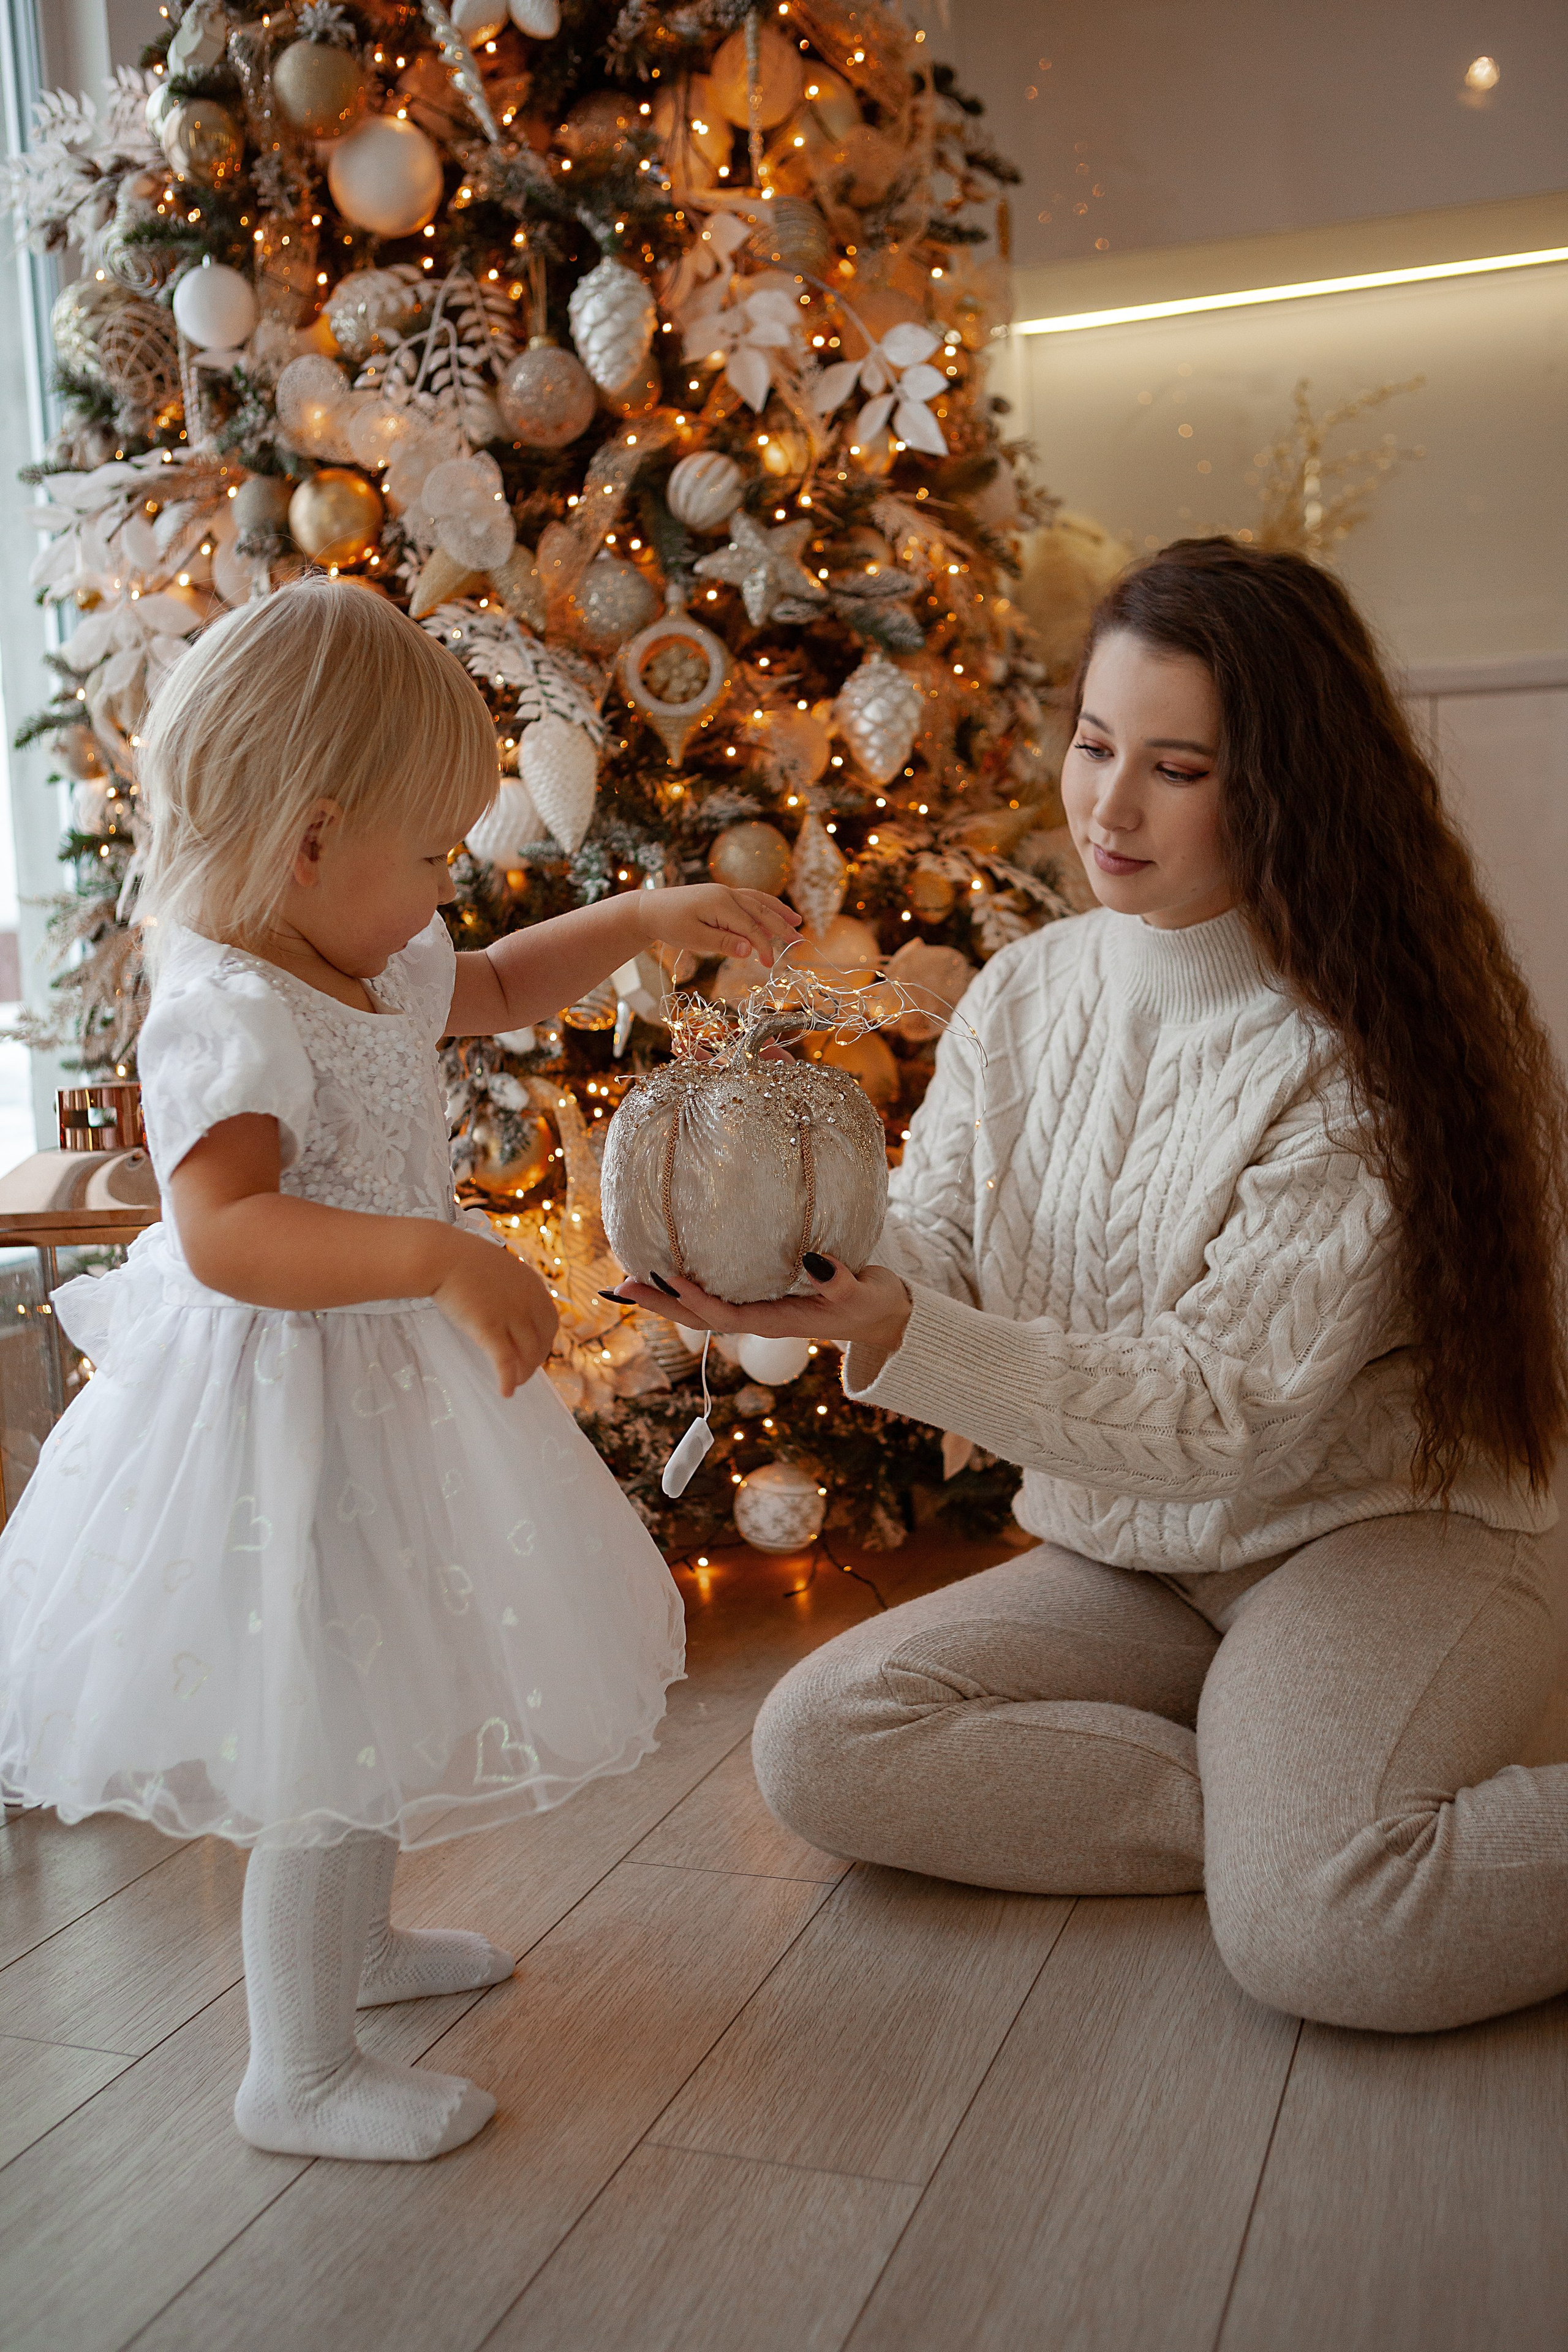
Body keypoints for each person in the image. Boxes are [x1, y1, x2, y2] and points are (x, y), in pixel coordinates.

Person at [612, 538, 1568, 2036]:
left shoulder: (1364, 1052)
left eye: (1175, 768)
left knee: (1327, 1944)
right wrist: (817, 1267)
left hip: (1378, 1537)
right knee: (819, 1746)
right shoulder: (1027, 990)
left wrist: (906, 1334)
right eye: (1093, 743)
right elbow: (933, 1238)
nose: (1107, 806)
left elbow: (1220, 1414)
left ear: (1285, 791)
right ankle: (1291, 1813)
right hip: (1134, 1552)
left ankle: (1312, 1838)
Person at [0, 579, 799, 2161]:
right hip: (274, 1416)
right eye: (430, 853)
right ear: (310, 840)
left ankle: (354, 1959)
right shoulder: (225, 1006)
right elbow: (225, 1232)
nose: (446, 891)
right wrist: (436, 1257)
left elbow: (499, 987)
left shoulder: (357, 957)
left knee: (355, 1683)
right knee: (311, 1716)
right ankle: (289, 2073)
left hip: (366, 1398)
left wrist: (639, 921)